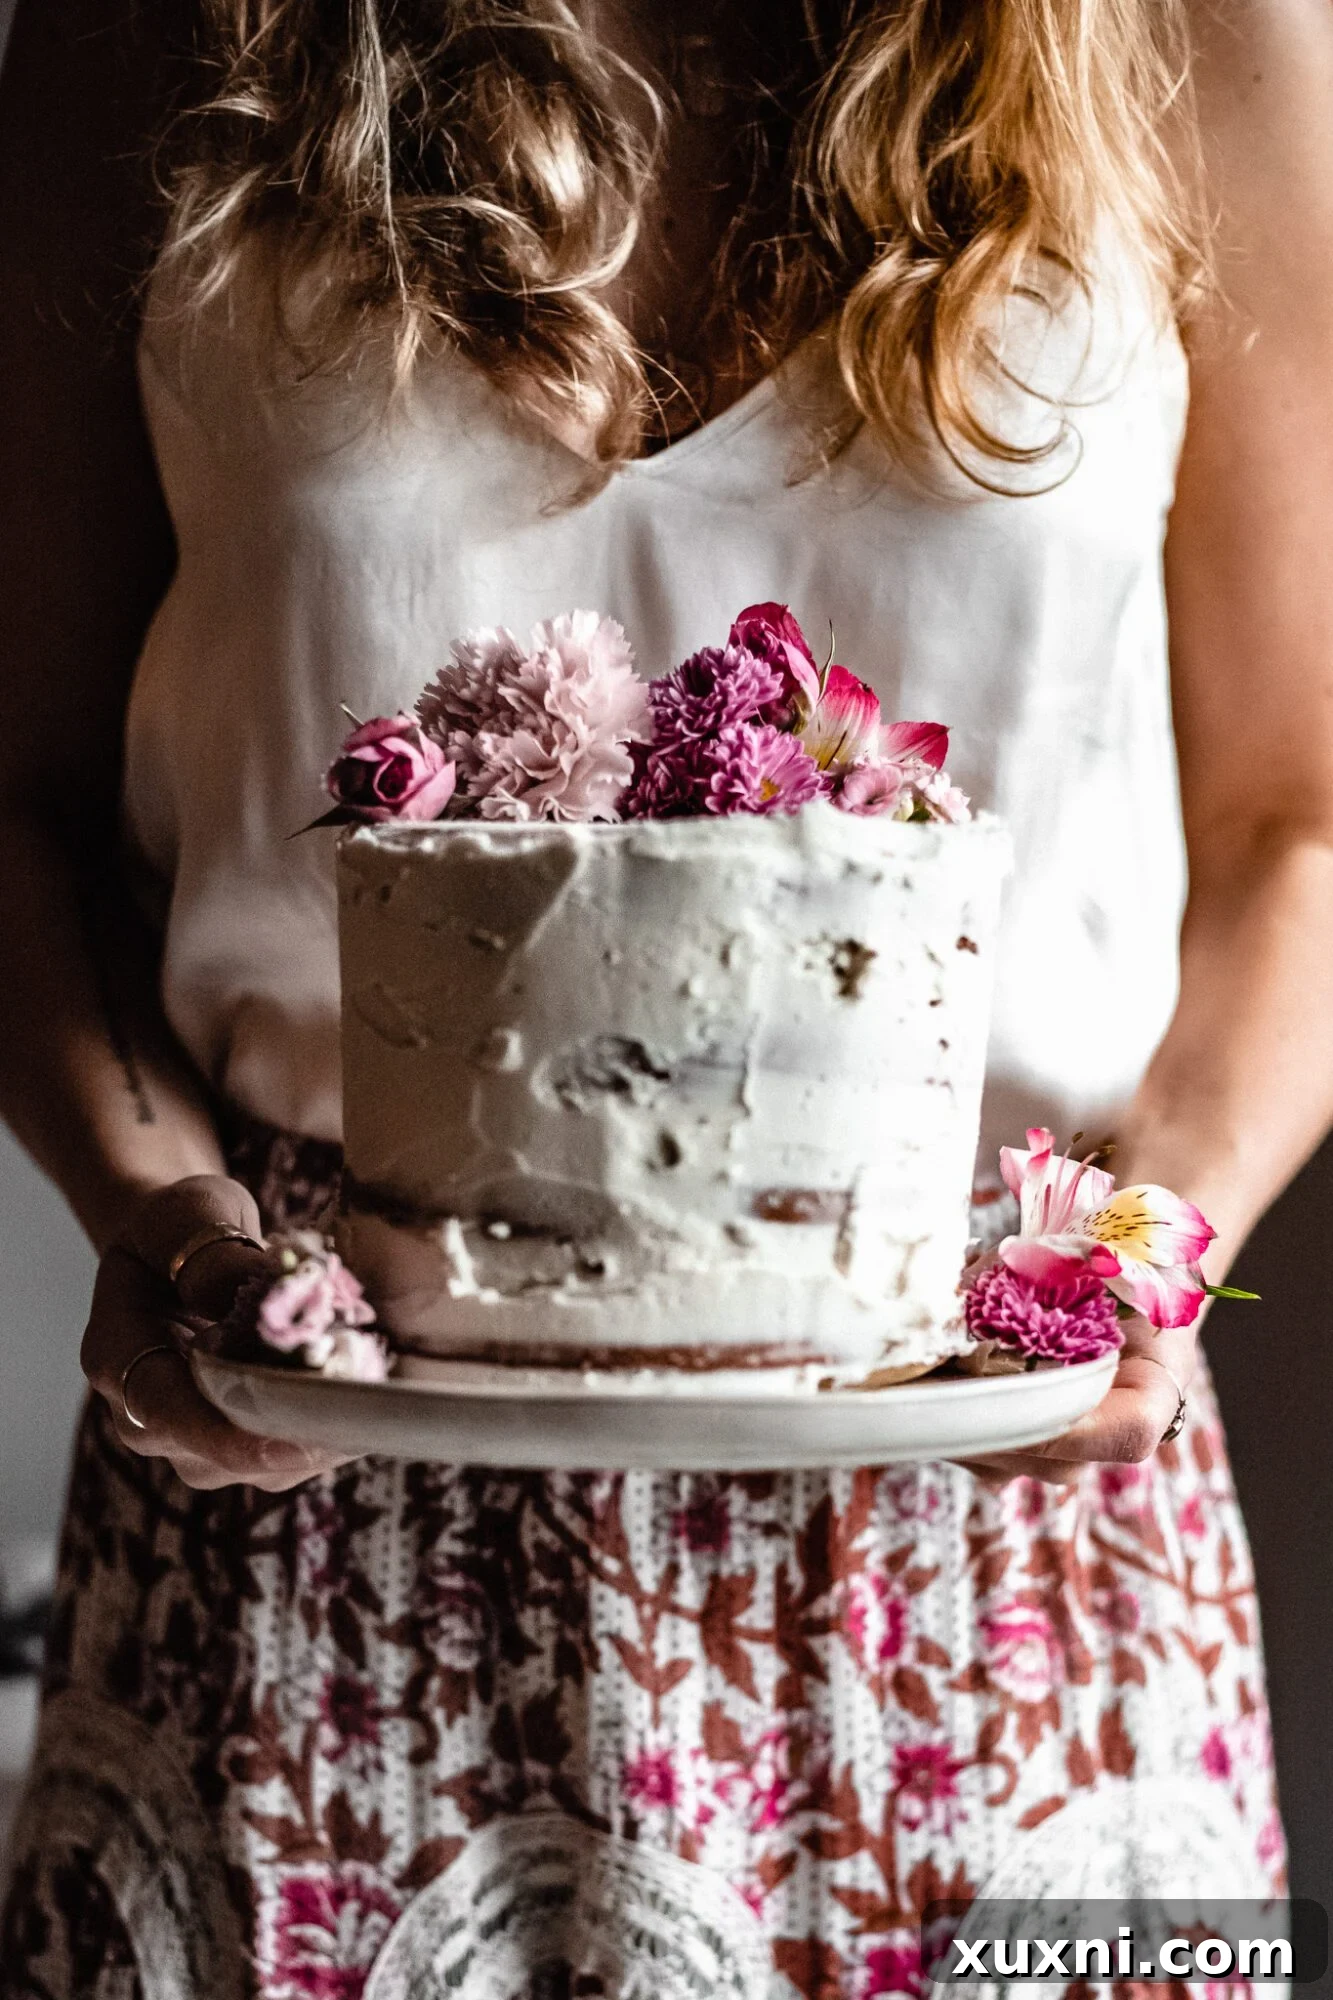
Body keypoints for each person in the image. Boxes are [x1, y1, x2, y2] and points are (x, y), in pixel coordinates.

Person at [2, 0, 1331, 1990]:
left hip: (994, 1534)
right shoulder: (175, 25)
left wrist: (1148, 1245)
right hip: (320, 1501)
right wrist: (173, 1236)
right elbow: (5, 802)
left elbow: (1298, 817)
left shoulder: (1195, 23)